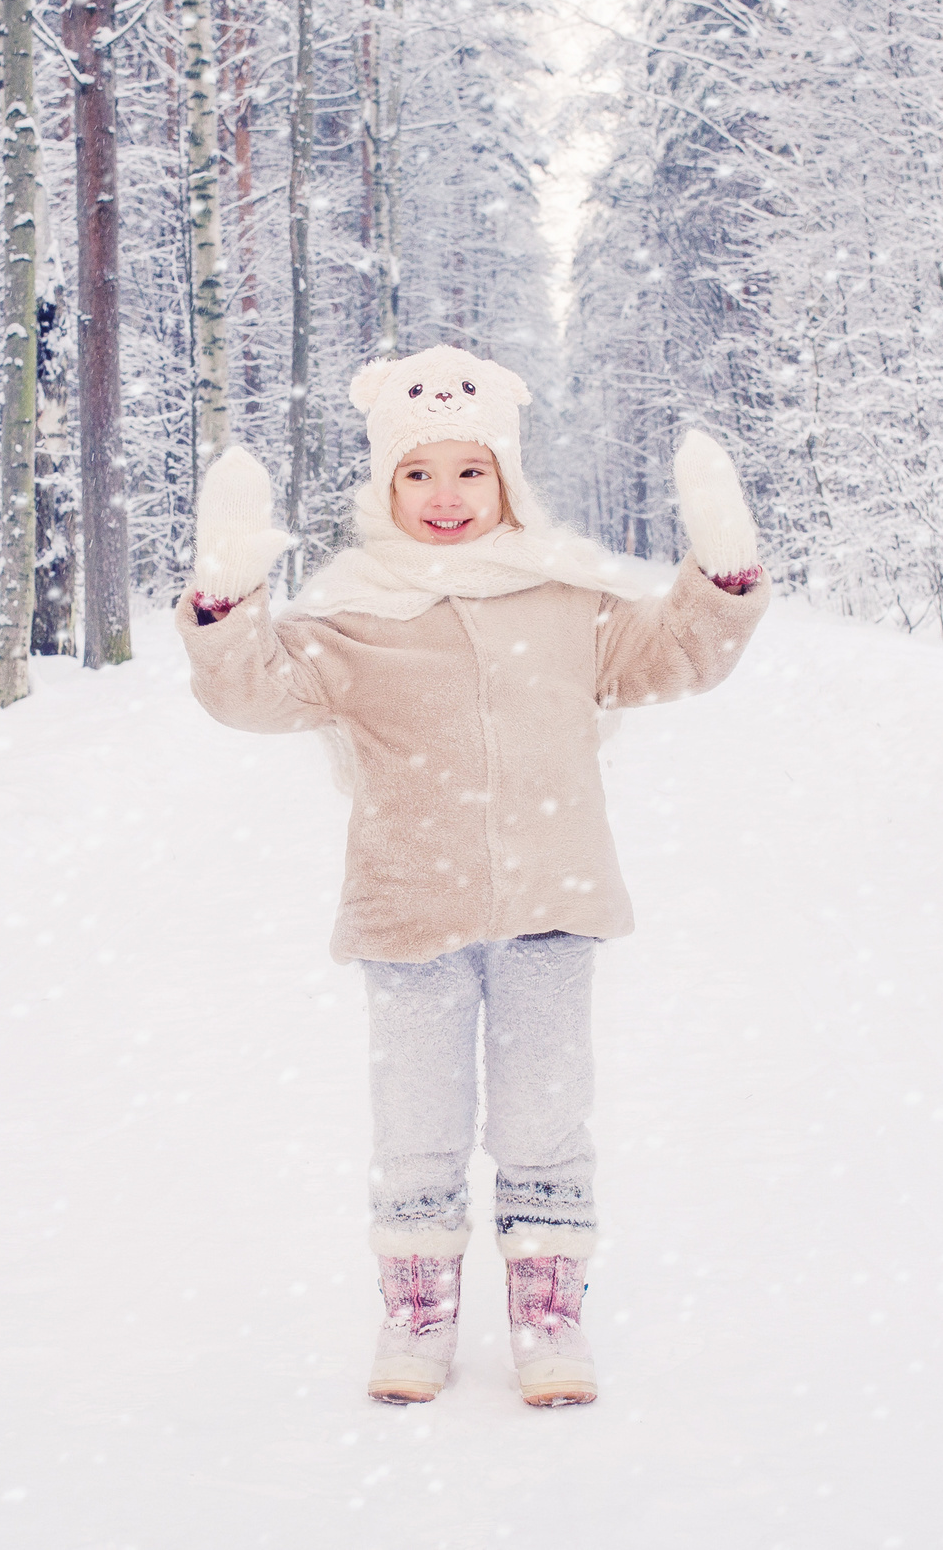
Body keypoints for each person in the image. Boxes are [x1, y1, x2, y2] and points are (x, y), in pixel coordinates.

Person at [176, 344, 769, 1408]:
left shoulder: (564, 596)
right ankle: (417, 1307)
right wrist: (227, 600)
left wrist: (718, 574)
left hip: (552, 897)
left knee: (545, 1118)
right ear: (382, 486)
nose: (444, 496)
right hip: (412, 905)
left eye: (467, 471)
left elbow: (676, 654)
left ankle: (548, 1310)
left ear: (505, 481)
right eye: (417, 473)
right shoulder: (353, 613)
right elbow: (252, 693)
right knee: (418, 1121)